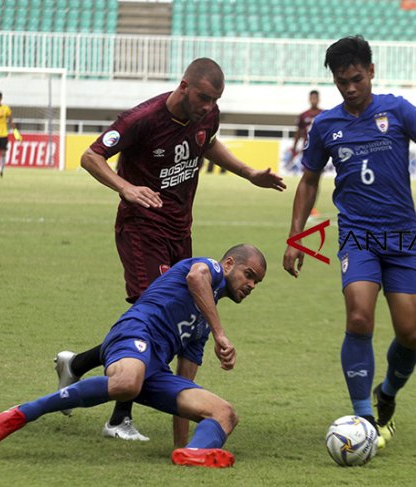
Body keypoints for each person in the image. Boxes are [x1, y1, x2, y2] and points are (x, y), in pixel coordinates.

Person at [60, 57, 286, 442]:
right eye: (203, 98)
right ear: (184, 86)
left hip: (180, 232)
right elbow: (90, 156)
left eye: (215, 100)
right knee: (153, 314)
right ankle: (119, 417)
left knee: (173, 315)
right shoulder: (142, 119)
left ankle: (77, 364)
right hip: (141, 228)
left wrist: (249, 174)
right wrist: (125, 187)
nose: (208, 107)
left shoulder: (206, 117)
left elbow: (208, 145)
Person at [282, 36, 416, 448]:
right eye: (341, 81)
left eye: (356, 78)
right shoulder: (326, 124)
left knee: (411, 333)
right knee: (359, 318)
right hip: (358, 236)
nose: (349, 88)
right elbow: (308, 181)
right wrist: (297, 238)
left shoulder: (396, 110)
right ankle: (364, 419)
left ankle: (388, 395)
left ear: (371, 72)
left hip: (402, 237)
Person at [0, 244, 267, 468]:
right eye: (249, 274)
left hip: (155, 372)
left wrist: (179, 446)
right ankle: (24, 412)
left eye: (257, 282)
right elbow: (196, 277)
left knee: (225, 413)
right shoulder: (210, 268)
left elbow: (184, 385)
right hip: (134, 332)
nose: (251, 285)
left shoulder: (202, 326)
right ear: (229, 264)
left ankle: (194, 453)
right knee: (128, 382)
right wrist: (221, 333)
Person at [290, 90, 325, 220]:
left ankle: (311, 208)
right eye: (312, 98)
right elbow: (298, 132)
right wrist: (294, 148)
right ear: (309, 99)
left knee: (315, 180)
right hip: (308, 150)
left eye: (316, 98)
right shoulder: (303, 115)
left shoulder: (324, 114)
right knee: (308, 179)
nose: (314, 100)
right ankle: (308, 209)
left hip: (322, 151)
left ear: (318, 99)